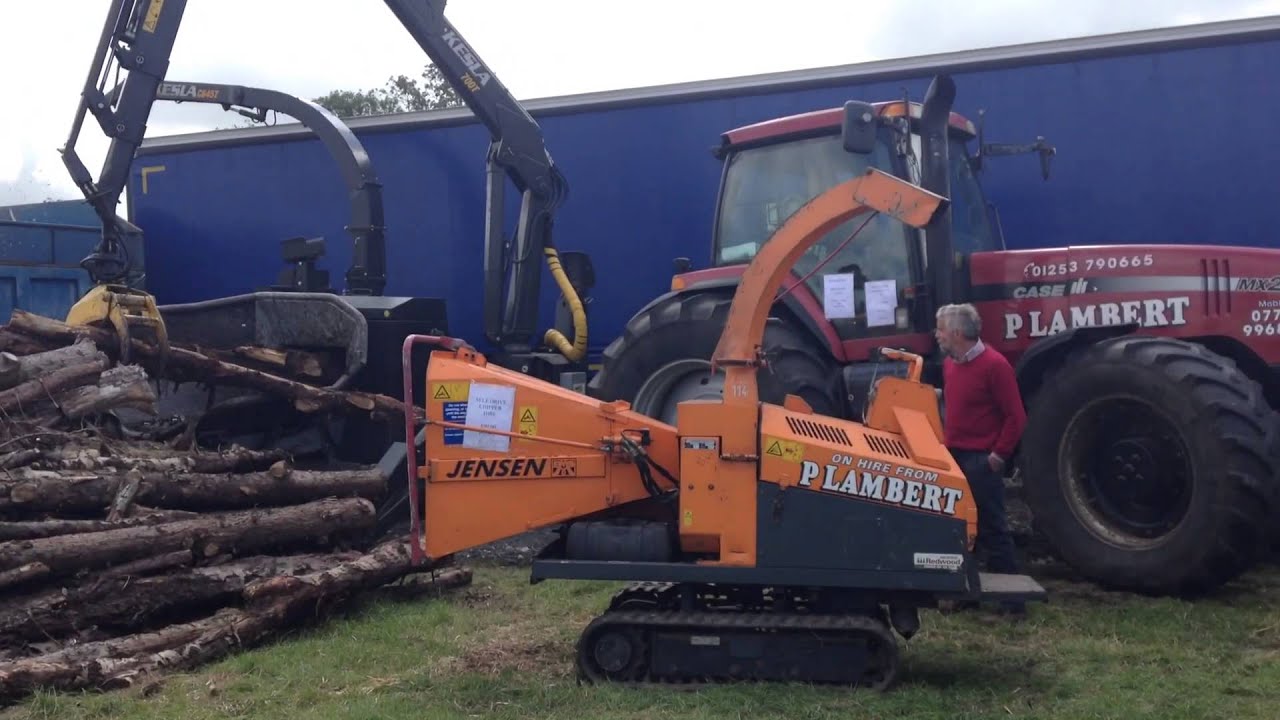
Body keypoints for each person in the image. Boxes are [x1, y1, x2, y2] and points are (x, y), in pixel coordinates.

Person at [933, 303, 1028, 617]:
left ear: (957, 333)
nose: (937, 335)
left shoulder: (995, 366)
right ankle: (967, 593)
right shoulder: (951, 364)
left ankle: (1013, 602)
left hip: (980, 461)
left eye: (941, 330)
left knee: (992, 528)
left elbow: (1015, 416)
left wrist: (997, 456)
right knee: (959, 529)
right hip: (954, 458)